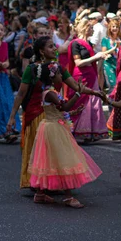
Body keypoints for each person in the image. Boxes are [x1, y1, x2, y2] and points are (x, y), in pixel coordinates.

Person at [7, 36, 101, 190]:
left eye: (54, 46)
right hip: (35, 115)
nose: (55, 49)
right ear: (41, 51)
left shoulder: (58, 69)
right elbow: (21, 94)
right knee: (38, 153)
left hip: (54, 114)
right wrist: (12, 117)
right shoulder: (31, 69)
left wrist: (96, 93)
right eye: (51, 46)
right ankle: (38, 185)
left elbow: (76, 87)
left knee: (57, 151)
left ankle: (55, 183)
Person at [28, 62, 102, 208]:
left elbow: (60, 110)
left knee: (51, 160)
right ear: (52, 77)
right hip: (54, 129)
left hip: (52, 126)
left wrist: (72, 113)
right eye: (59, 74)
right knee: (63, 159)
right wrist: (78, 93)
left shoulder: (51, 93)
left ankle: (40, 193)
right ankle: (68, 196)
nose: (62, 76)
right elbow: (64, 106)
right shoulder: (50, 93)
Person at [67, 17, 111, 143]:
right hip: (81, 76)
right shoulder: (76, 43)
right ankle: (79, 130)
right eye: (91, 27)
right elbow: (78, 62)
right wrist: (96, 57)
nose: (93, 29)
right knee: (81, 102)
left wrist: (99, 57)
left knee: (94, 103)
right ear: (85, 28)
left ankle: (91, 131)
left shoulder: (89, 44)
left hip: (91, 75)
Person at [101, 18, 121, 91]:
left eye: (117, 27)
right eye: (113, 26)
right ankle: (111, 101)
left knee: (120, 85)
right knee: (113, 86)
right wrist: (114, 48)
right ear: (110, 28)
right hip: (109, 64)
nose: (115, 28)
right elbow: (104, 53)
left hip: (119, 64)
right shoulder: (105, 40)